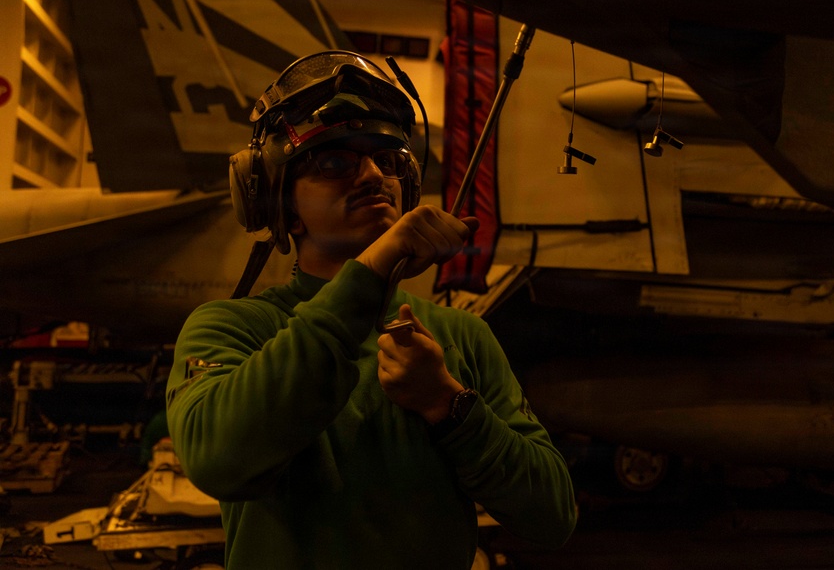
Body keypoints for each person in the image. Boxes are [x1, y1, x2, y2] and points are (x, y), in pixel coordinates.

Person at [165, 51, 577, 569]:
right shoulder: (230, 329)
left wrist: (449, 404)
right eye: (334, 162)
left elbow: (552, 516)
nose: (372, 176)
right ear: (280, 207)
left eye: (389, 161)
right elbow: (219, 460)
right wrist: (373, 269)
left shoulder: (461, 337)